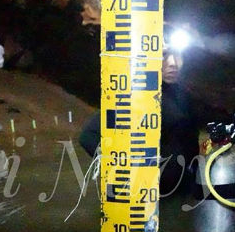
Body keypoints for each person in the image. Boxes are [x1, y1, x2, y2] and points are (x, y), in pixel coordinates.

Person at [79, 24, 200, 195]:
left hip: (180, 193)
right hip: (143, 198)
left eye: (178, 54)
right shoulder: (136, 93)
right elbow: (88, 136)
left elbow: (189, 141)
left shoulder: (182, 94)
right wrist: (127, 171)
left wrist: (193, 174)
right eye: (164, 55)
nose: (173, 63)